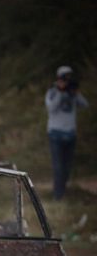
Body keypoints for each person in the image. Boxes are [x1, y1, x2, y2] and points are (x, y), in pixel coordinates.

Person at [45, 65, 88, 200]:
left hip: (70, 134)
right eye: (64, 78)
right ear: (58, 78)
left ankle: (63, 192)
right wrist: (60, 91)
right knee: (58, 167)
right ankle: (57, 196)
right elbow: (51, 108)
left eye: (68, 77)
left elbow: (85, 105)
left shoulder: (73, 93)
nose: (66, 80)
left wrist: (75, 92)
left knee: (67, 167)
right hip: (55, 134)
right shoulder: (52, 92)